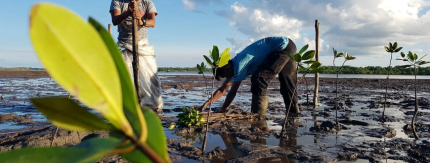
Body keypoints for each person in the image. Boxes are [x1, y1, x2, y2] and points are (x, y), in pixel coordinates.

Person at [199, 36, 299, 115]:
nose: (228, 77)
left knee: (259, 78)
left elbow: (232, 91)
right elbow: (222, 89)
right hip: (288, 44)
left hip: (282, 47)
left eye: (225, 75)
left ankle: (258, 115)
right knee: (287, 82)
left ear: (227, 69)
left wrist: (224, 109)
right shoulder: (232, 65)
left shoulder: (239, 65)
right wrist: (206, 104)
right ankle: (293, 113)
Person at [110, 0, 163, 111]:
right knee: (125, 82)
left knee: (152, 82)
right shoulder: (117, 1)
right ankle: (128, 110)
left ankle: (153, 110)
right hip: (124, 45)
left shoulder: (147, 3)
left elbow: (152, 22)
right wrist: (128, 12)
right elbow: (115, 20)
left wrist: (140, 20)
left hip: (143, 46)